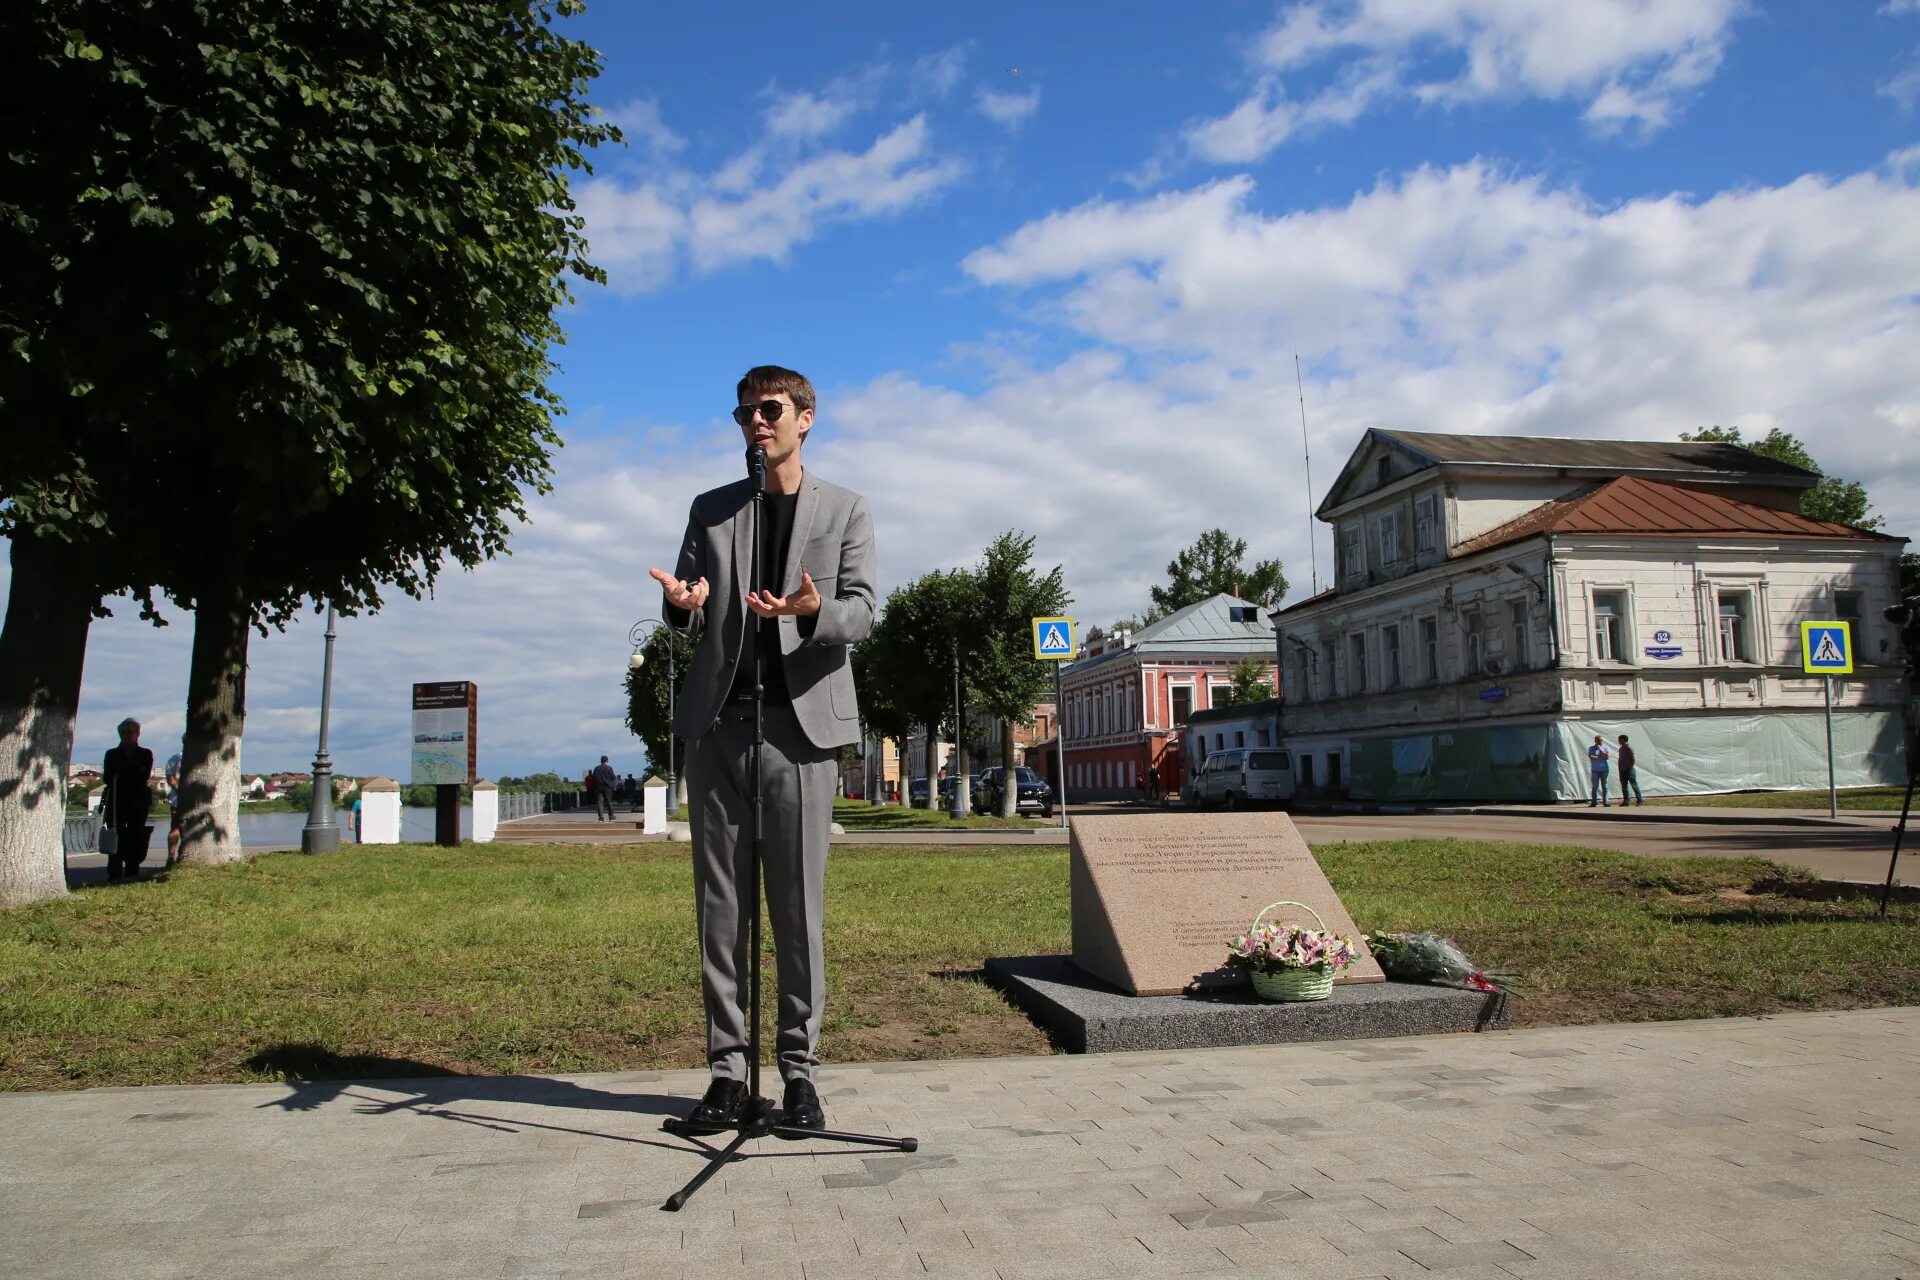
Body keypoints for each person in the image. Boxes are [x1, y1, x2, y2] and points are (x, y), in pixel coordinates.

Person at [648, 365, 875, 1137]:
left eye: (770, 409)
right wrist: (679, 608)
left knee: (797, 911)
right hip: (718, 730)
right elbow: (687, 605)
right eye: (744, 411)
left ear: (805, 417)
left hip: (801, 734)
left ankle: (801, 1077)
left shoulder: (845, 508)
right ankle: (726, 1074)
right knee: (721, 910)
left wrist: (816, 613)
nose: (756, 422)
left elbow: (865, 611)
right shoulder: (712, 511)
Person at [101, 718, 155, 880]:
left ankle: (132, 870)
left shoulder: (145, 753)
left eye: (130, 732)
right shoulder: (112, 754)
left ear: (137, 734)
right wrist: (122, 777)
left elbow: (143, 776)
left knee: (135, 834)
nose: (126, 736)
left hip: (137, 801)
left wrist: (124, 776)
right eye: (123, 733)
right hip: (117, 801)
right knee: (115, 834)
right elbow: (108, 777)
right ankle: (114, 872)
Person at [163, 748, 184, 867]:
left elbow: (170, 779)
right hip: (179, 800)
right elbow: (171, 780)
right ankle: (172, 856)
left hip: (176, 800)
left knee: (175, 827)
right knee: (177, 827)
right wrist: (182, 790)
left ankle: (171, 856)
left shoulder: (174, 758)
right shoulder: (177, 758)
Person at [1617, 734, 1643, 806]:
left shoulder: (1629, 748)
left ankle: (1639, 800)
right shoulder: (1621, 748)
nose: (1618, 741)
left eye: (1619, 739)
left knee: (1634, 785)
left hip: (1629, 770)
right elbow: (1620, 758)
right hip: (1622, 770)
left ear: (1623, 740)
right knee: (1624, 786)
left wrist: (1630, 767)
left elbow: (1633, 759)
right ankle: (1626, 801)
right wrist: (1619, 767)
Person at [1587, 733, 1611, 808]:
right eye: (1599, 740)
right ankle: (1594, 802)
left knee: (1605, 786)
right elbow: (1591, 757)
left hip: (1604, 769)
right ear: (1595, 740)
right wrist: (1600, 756)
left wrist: (1600, 750)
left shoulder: (1606, 747)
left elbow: (1607, 757)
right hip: (1595, 770)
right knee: (1595, 786)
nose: (1600, 742)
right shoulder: (1591, 748)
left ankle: (1606, 801)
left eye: (1601, 740)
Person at [593, 756, 618, 821]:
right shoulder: (609, 768)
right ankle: (611, 817)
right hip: (607, 787)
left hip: (598, 787)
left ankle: (601, 818)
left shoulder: (596, 768)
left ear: (601, 761)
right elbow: (613, 778)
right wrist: (612, 786)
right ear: (607, 761)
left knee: (599, 803)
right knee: (609, 802)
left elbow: (594, 778)